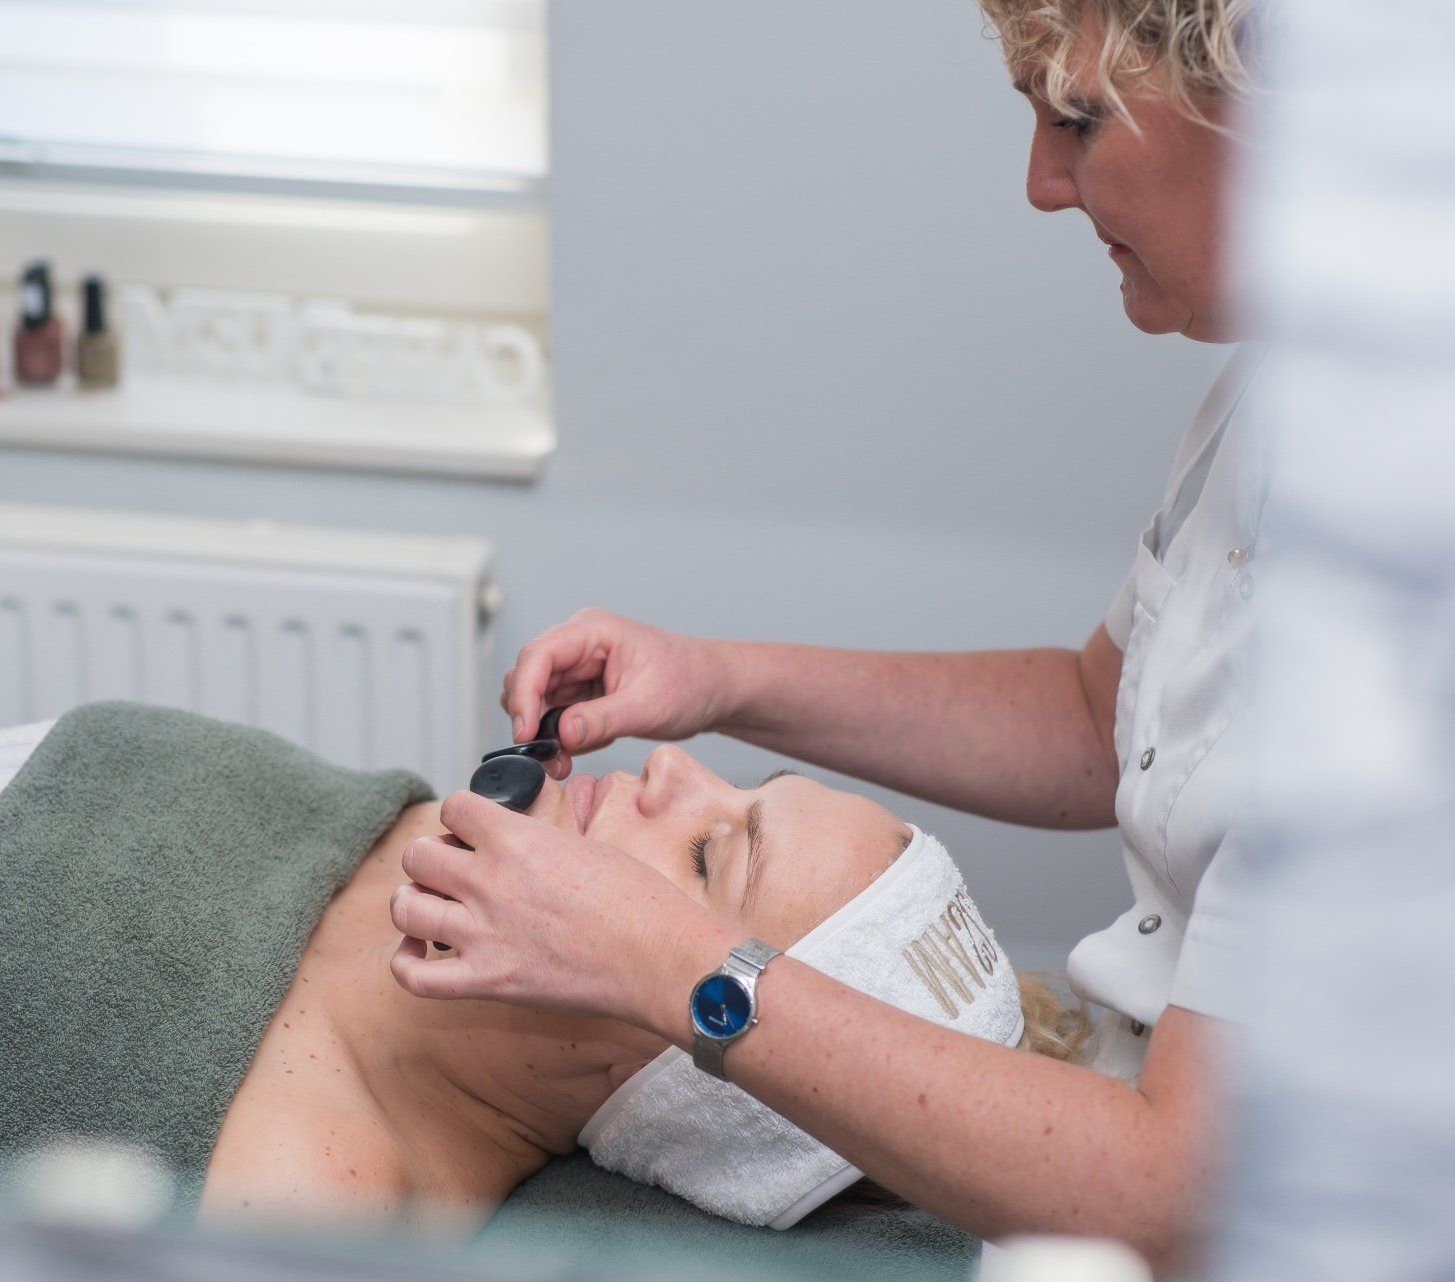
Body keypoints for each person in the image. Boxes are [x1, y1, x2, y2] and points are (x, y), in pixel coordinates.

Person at [389, 1, 1259, 1274]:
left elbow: (1176, 1200)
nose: (1039, 182)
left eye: (1078, 117)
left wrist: (671, 966)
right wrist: (718, 679)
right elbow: (1102, 723)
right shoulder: (1276, 403)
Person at [0, 706, 1079, 1237]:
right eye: (742, 784)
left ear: (672, 1057)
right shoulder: (408, 836)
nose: (673, 768)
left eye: (712, 851)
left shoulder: (309, 1201)